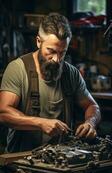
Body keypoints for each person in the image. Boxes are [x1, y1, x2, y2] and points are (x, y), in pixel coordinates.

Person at [0, 13, 101, 153]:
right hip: (21, 161)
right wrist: (40, 123)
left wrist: (90, 122)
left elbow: (92, 106)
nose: (57, 59)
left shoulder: (71, 73)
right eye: (51, 51)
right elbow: (3, 113)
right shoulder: (17, 69)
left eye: (62, 52)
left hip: (60, 161)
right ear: (38, 42)